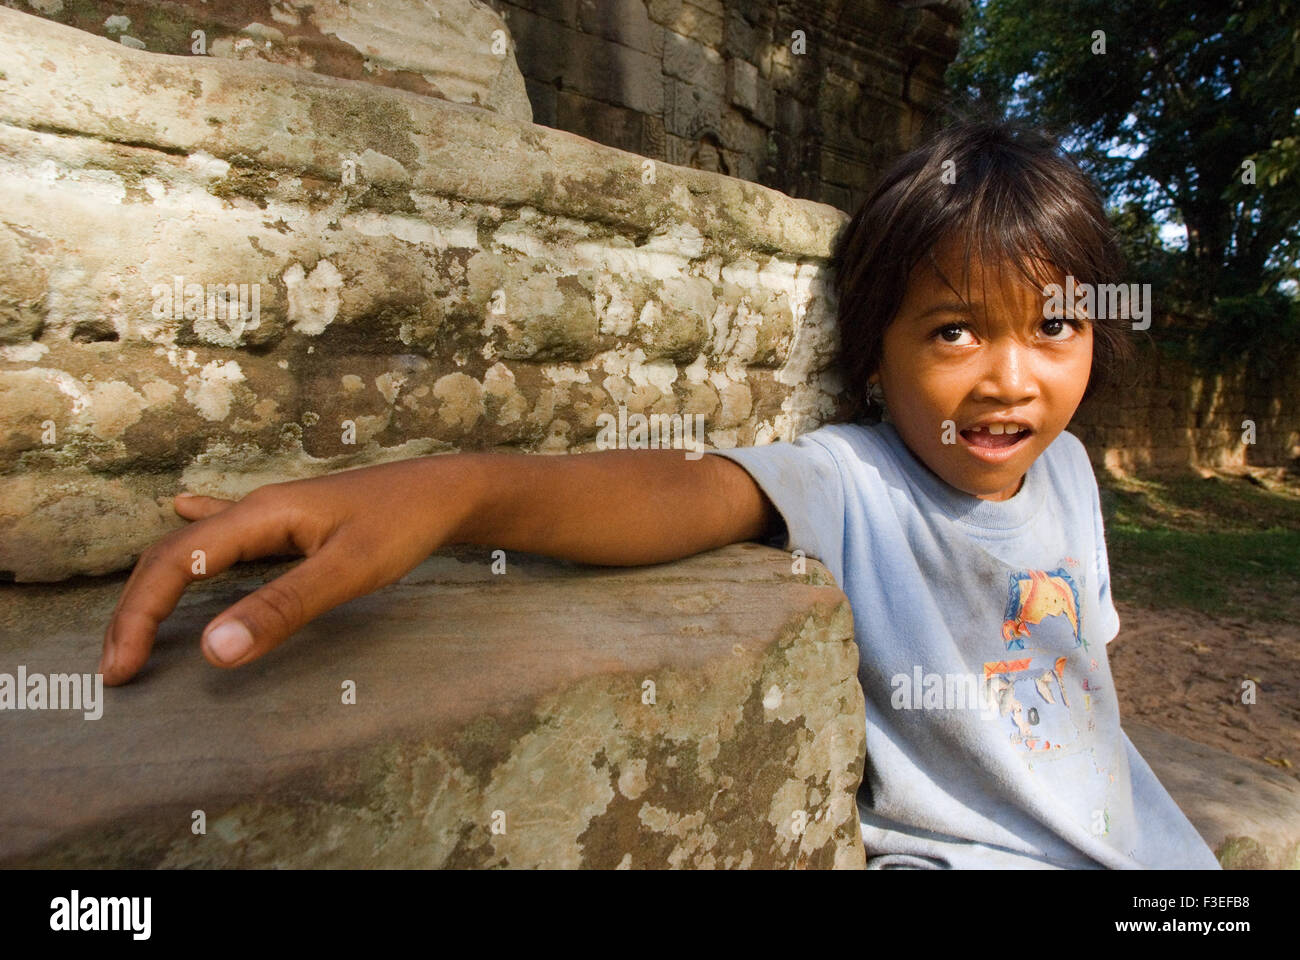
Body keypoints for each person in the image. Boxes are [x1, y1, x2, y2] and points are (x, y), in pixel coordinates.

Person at [97, 119, 1221, 869]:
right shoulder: (853, 479)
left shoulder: (1069, 473)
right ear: (875, 354)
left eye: (1053, 327)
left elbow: (1084, 683)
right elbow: (680, 493)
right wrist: (454, 494)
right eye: (953, 329)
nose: (1008, 377)